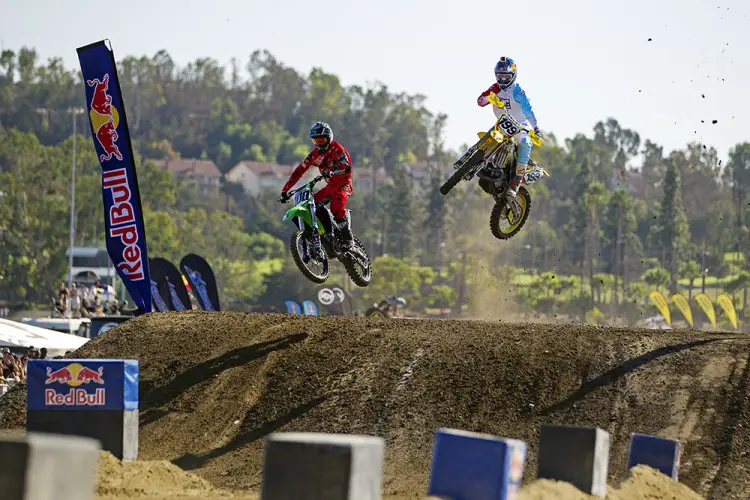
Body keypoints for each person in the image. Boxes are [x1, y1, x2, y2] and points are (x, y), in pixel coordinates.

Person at [280, 122, 355, 251]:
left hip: (344, 184)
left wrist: (334, 171)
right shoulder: (314, 155)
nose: (319, 143)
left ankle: (348, 237)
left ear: (329, 138)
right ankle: (325, 234)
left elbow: (347, 167)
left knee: (336, 206)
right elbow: (299, 171)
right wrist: (285, 190)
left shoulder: (337, 149)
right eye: (316, 140)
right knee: (312, 204)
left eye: (322, 140)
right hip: (331, 186)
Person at [477, 57, 542, 198]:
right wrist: (489, 98)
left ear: (513, 75)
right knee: (486, 136)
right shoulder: (495, 88)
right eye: (500, 76)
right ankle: (479, 162)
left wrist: (536, 128)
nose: (503, 79)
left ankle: (515, 184)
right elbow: (480, 101)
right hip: (502, 123)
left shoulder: (518, 91)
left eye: (506, 76)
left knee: (525, 143)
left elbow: (528, 110)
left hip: (520, 126)